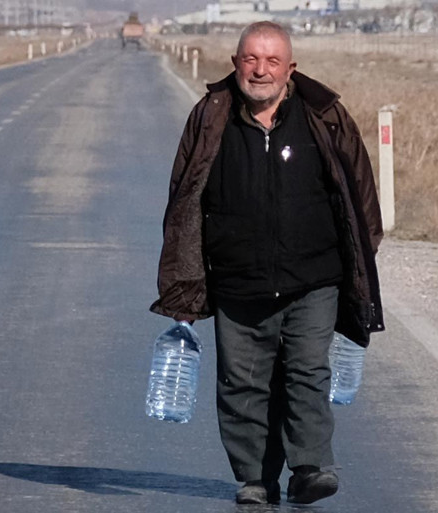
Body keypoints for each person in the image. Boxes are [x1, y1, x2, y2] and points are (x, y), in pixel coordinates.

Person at [150, 21, 384, 505]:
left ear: (290, 68)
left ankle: (310, 467)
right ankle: (255, 478)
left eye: (271, 60)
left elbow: (359, 194)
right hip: (237, 280)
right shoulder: (211, 117)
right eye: (250, 60)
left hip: (314, 278)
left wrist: (362, 258)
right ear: (236, 63)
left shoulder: (323, 116)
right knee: (243, 384)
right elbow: (184, 201)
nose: (260, 71)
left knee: (306, 372)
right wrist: (182, 286)